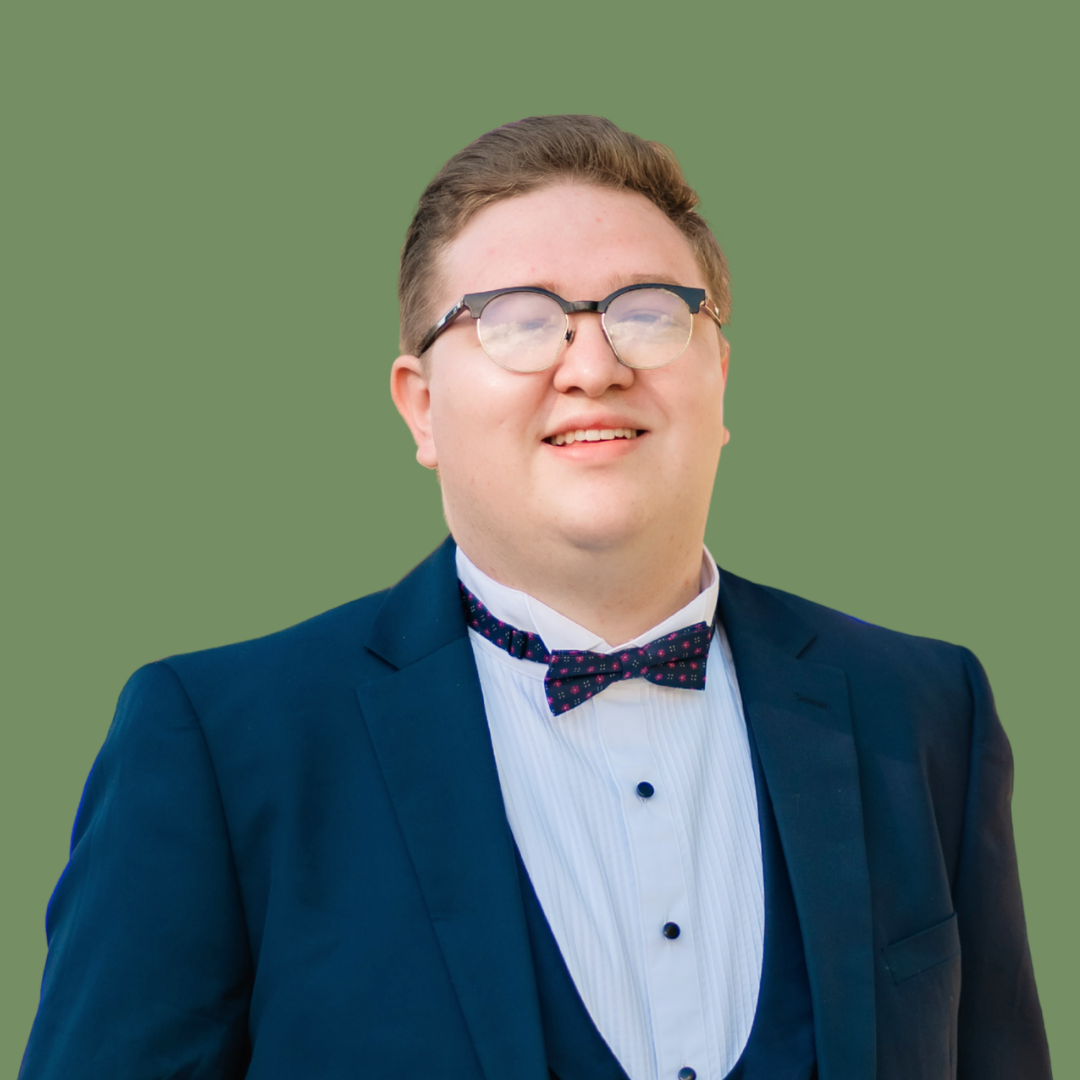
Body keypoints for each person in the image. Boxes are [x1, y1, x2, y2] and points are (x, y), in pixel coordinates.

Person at [20, 115, 1050, 1080]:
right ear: (421, 407)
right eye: (520, 322)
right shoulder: (218, 741)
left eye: (649, 314)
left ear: (720, 377)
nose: (594, 364)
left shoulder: (924, 709)